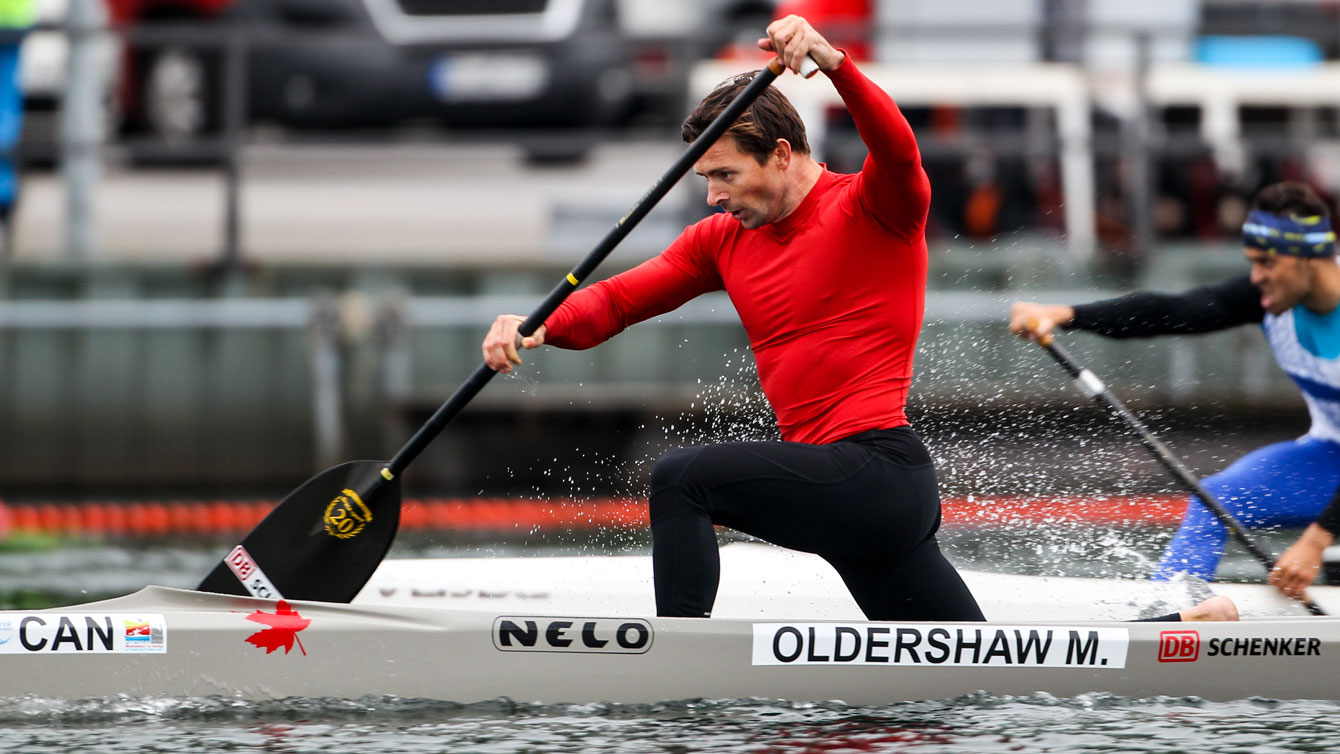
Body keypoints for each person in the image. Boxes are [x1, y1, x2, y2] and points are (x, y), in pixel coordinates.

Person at [484, 16, 1235, 624]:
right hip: (849, 498)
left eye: (723, 175)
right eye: (703, 178)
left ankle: (676, 663)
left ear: (780, 153)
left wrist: (836, 63)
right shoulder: (720, 241)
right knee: (970, 673)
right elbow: (615, 301)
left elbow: (900, 150)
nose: (711, 197)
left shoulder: (871, 209)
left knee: (684, 480)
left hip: (875, 475)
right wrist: (538, 323)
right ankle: (1173, 632)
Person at [1009, 180, 1340, 601]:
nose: (1256, 277)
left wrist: (1314, 543)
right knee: (1217, 499)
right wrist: (1063, 314)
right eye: (1252, 263)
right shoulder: (1263, 297)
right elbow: (1170, 312)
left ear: (1307, 259)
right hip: (1329, 457)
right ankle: (1166, 618)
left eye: (1266, 263)